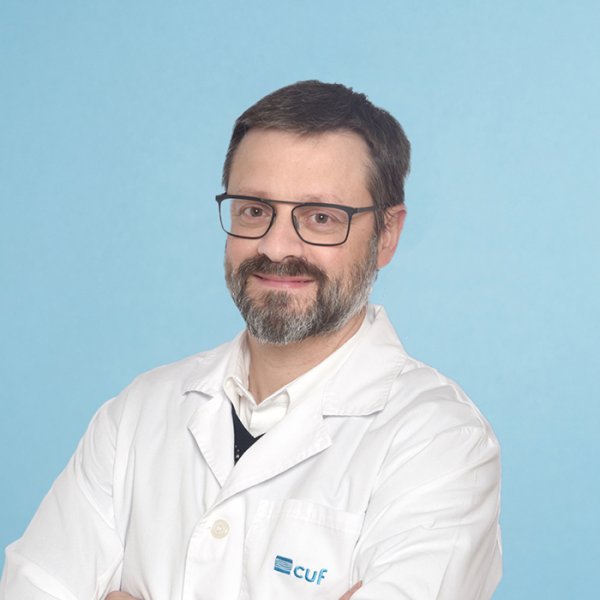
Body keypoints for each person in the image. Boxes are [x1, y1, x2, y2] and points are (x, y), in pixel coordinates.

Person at [0, 80, 502, 600]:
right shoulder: (137, 415)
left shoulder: (441, 442)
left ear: (387, 235)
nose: (277, 247)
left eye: (321, 218)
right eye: (255, 210)